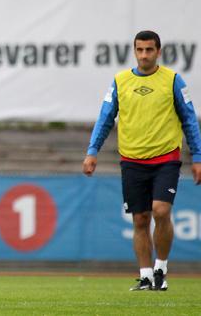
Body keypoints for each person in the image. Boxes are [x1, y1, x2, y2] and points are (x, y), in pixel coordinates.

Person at [83, 30, 201, 292]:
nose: (144, 55)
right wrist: (92, 151)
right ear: (135, 51)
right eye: (140, 50)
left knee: (161, 211)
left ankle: (161, 268)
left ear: (158, 51)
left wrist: (198, 156)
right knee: (140, 219)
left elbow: (189, 119)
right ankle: (146, 276)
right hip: (132, 160)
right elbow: (105, 118)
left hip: (165, 158)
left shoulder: (173, 80)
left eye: (149, 50)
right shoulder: (120, 81)